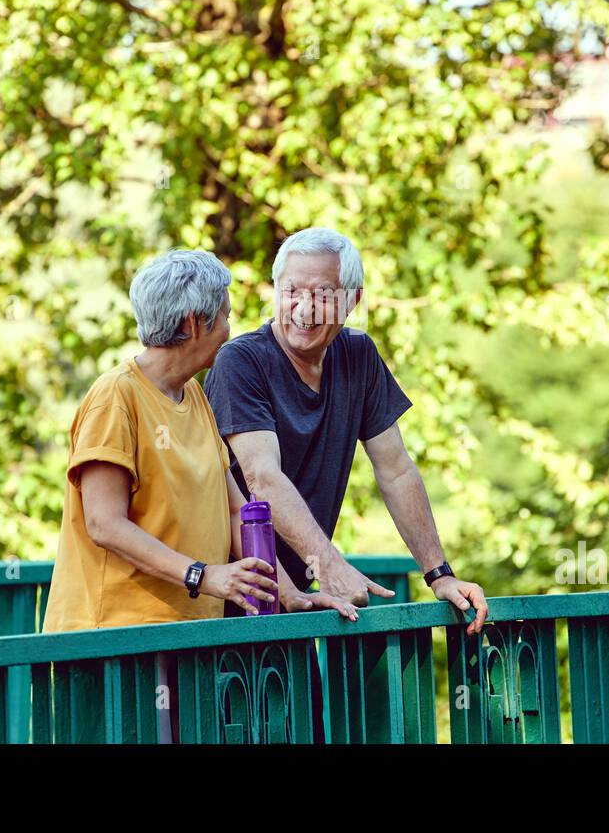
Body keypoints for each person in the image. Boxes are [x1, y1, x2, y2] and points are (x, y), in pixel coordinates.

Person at [43, 249, 355, 740]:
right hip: (116, 642)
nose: (232, 325)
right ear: (195, 322)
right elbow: (104, 522)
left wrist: (287, 594)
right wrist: (203, 575)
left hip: (185, 637)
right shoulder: (115, 397)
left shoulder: (195, 398)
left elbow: (236, 507)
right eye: (226, 314)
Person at [204, 227, 489, 635]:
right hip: (227, 607)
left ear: (352, 301)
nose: (303, 309)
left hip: (296, 604)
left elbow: (395, 470)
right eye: (291, 291)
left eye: (321, 295)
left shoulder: (358, 355)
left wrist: (440, 575)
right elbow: (261, 478)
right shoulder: (241, 362)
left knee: (309, 702)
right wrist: (329, 565)